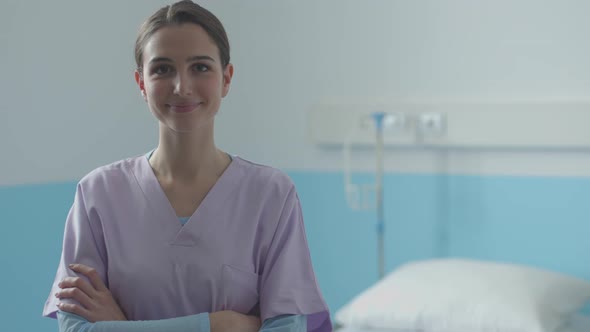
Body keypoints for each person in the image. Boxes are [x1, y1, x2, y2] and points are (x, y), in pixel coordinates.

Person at [41, 1, 332, 331]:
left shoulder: (271, 196)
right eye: (162, 69)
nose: (182, 86)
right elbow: (75, 327)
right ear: (141, 82)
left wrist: (121, 326)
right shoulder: (98, 194)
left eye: (201, 67)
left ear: (226, 78)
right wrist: (220, 325)